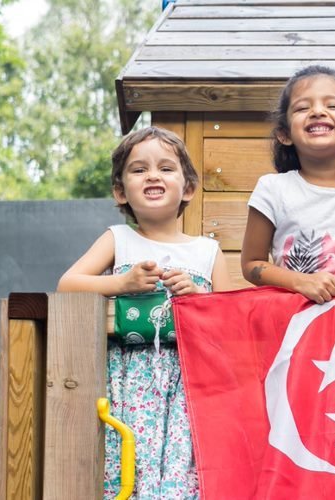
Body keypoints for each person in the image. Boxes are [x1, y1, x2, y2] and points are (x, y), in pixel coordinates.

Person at [58, 126, 230, 498]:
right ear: (121, 191)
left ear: (187, 188)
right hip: (127, 378)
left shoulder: (207, 251)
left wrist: (199, 295)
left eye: (166, 168)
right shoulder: (118, 239)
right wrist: (120, 284)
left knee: (183, 471)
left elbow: (229, 318)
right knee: (126, 463)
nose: (152, 175)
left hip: (189, 383)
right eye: (138, 169)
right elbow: (68, 283)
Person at [240, 65, 335, 303]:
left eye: (332, 105)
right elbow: (252, 264)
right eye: (302, 108)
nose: (317, 111)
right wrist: (300, 282)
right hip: (292, 326)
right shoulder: (272, 189)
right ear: (285, 134)